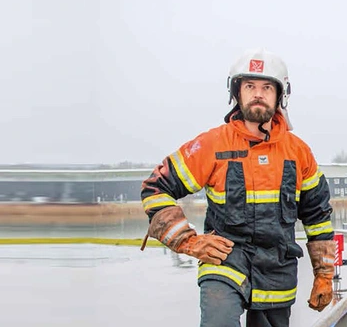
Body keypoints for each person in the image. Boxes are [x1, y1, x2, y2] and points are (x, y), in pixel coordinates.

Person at [140, 48, 336, 327]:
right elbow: (155, 189)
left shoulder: (298, 153)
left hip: (276, 273)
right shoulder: (212, 146)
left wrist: (324, 275)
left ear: (280, 95)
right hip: (224, 263)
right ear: (237, 93)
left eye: (267, 87)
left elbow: (317, 218)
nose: (258, 93)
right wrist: (190, 241)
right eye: (250, 86)